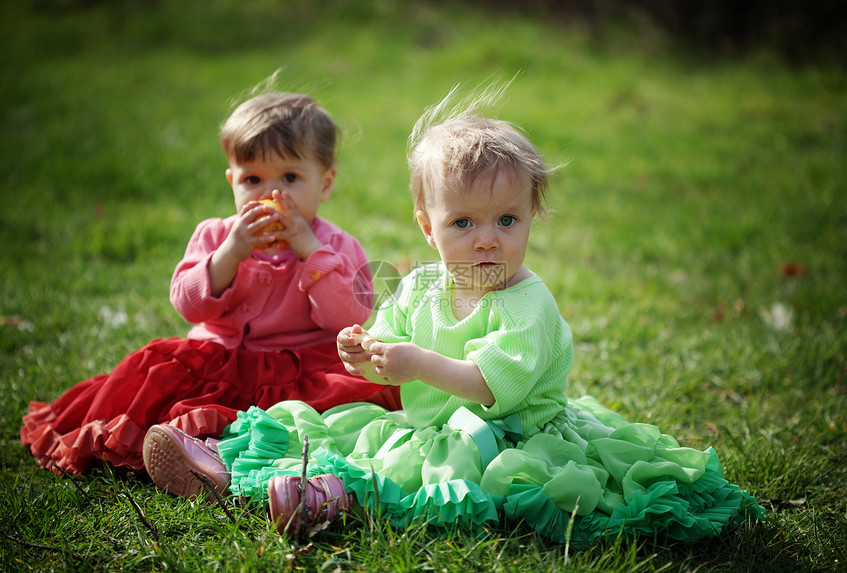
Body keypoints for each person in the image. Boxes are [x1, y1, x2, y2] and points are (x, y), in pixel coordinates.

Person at [144, 86, 764, 544]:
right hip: (432, 430)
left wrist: (416, 362)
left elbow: (488, 386)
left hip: (512, 436)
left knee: (435, 480)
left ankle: (323, 502)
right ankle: (225, 463)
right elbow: (390, 359)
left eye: (506, 220)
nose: (486, 239)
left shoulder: (528, 304)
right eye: (463, 223)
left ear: (531, 217)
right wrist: (366, 353)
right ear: (427, 226)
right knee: (338, 430)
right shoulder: (417, 286)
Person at [20, 90, 400, 480]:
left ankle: (232, 457)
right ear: (231, 181)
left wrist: (310, 251)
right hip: (221, 360)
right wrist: (230, 254)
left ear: (325, 184)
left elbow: (348, 316)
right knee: (175, 393)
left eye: (290, 177)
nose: (271, 193)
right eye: (252, 178)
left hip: (303, 366)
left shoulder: (336, 247)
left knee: (330, 414)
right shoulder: (217, 236)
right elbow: (189, 304)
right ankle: (196, 449)